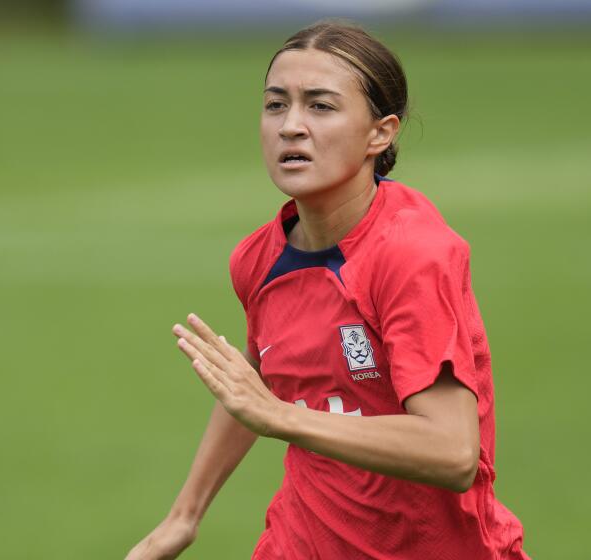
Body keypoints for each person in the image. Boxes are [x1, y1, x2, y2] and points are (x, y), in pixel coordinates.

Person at [126, 20, 529, 560]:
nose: (291, 126)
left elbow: (453, 451)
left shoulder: (411, 254)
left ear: (380, 133)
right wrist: (183, 516)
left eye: (320, 106)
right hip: (300, 544)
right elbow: (256, 378)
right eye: (276, 105)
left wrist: (282, 416)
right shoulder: (259, 257)